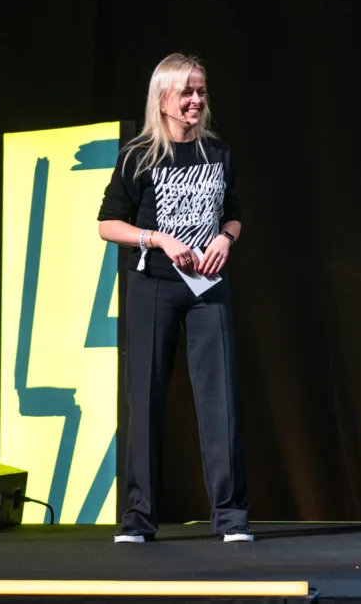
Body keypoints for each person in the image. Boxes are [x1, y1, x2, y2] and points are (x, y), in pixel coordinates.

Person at [97, 53, 252, 544]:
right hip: (155, 286)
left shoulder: (219, 153)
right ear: (162, 98)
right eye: (186, 91)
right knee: (145, 400)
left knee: (219, 400)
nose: (196, 100)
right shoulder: (138, 156)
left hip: (208, 288)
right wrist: (158, 238)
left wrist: (226, 238)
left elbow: (234, 213)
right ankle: (138, 519)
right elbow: (107, 225)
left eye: (201, 90)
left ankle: (231, 518)